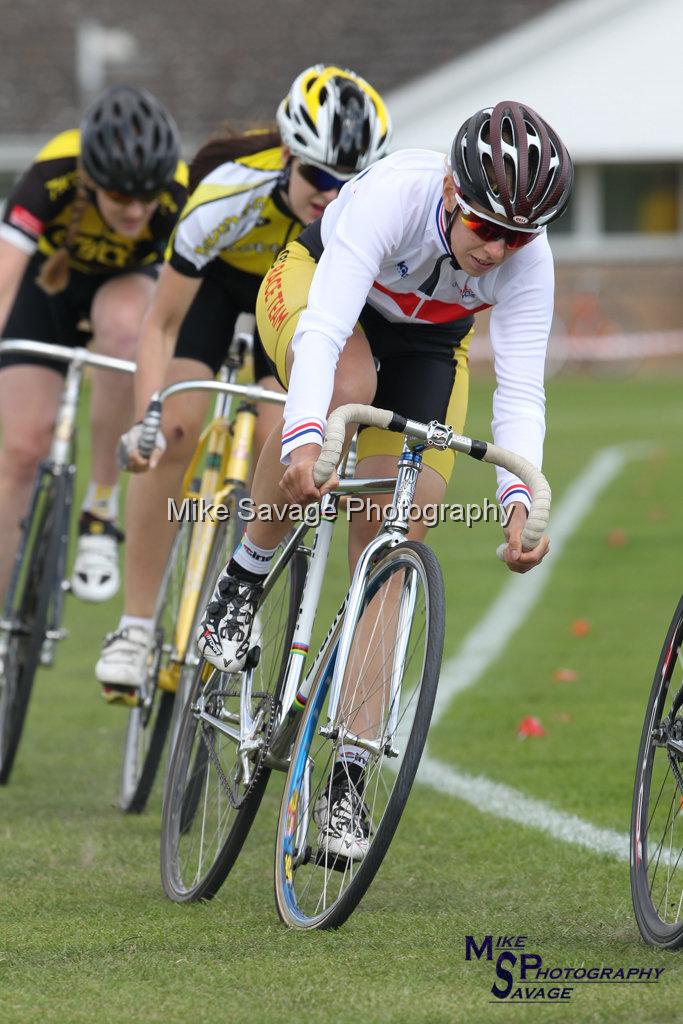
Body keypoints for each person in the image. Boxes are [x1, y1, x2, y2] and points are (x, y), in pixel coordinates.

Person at [195, 100, 574, 858]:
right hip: (324, 297)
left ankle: (344, 782)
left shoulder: (527, 261)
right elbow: (328, 328)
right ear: (448, 197)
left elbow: (521, 393)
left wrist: (519, 498)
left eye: (517, 236)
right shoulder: (393, 195)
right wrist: (305, 438)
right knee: (344, 381)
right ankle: (244, 576)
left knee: (397, 539)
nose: (498, 250)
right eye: (484, 228)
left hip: (431, 344)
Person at [95, 65, 392, 702]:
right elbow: (161, 323)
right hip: (216, 291)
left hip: (290, 305)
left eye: (348, 183)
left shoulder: (364, 216)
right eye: (318, 177)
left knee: (281, 443)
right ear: (287, 156)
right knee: (176, 428)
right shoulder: (229, 193)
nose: (332, 195)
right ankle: (135, 626)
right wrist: (148, 416)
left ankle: (244, 591)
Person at [0, 85, 187, 609]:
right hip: (48, 292)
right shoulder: (53, 171)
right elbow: (6, 274)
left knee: (128, 326)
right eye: (122, 198)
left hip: (125, 287)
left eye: (147, 197)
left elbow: (188, 299)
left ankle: (100, 508)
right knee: (21, 452)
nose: (137, 210)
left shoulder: (178, 193)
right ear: (92, 182)